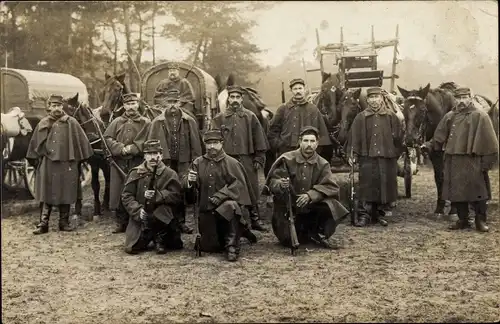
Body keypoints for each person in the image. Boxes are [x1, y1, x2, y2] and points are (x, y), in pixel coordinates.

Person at [422, 87, 498, 232]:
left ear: (470, 98)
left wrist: (486, 163)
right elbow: (439, 135)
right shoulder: (450, 116)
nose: (462, 101)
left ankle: (480, 220)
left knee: (478, 191)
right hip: (454, 159)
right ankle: (463, 220)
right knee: (457, 191)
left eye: (465, 97)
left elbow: (491, 142)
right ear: (455, 100)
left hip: (473, 159)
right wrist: (428, 145)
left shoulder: (481, 116)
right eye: (459, 98)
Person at [265, 126, 349, 249]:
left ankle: (318, 233)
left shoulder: (323, 164)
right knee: (288, 240)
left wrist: (311, 195)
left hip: (311, 209)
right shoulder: (286, 159)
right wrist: (280, 184)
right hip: (289, 210)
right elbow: (272, 182)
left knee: (332, 204)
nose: (308, 144)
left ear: (317, 144)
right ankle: (299, 233)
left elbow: (330, 186)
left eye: (312, 141)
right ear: (300, 142)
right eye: (305, 141)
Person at [134, 88, 202, 234]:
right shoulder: (157, 122)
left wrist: (195, 163)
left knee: (182, 190)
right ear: (165, 103)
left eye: (175, 102)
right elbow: (150, 144)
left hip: (183, 162)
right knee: (166, 190)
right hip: (165, 163)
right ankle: (169, 221)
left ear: (180, 103)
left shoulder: (189, 121)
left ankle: (182, 222)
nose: (172, 105)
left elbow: (196, 144)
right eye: (169, 102)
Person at [183, 129, 257, 262]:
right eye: (208, 143)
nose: (212, 146)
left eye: (215, 143)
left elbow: (239, 186)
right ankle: (242, 229)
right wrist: (190, 182)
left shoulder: (232, 163)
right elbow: (191, 194)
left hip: (226, 212)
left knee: (230, 206)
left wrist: (221, 195)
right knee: (210, 247)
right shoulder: (197, 163)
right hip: (206, 211)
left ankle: (232, 246)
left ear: (222, 143)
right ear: (204, 145)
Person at [27, 94, 94, 234]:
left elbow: (82, 143)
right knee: (47, 191)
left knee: (66, 191)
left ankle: (63, 222)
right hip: (48, 163)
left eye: (59, 106)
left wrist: (78, 161)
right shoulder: (43, 123)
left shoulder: (71, 122)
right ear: (49, 107)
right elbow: (34, 145)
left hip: (67, 163)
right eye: (54, 106)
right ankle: (43, 223)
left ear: (62, 106)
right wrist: (37, 160)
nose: (56, 108)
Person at [211, 85, 269, 232]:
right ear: (228, 99)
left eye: (238, 97)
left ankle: (254, 218)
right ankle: (230, 218)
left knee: (250, 186)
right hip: (226, 159)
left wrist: (259, 158)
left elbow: (259, 139)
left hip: (246, 158)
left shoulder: (250, 117)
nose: (235, 100)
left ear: (242, 99)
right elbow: (212, 139)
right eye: (232, 97)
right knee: (228, 187)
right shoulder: (219, 118)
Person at [348, 87, 403, 227]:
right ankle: (364, 215)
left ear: (382, 98)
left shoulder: (391, 116)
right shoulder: (361, 117)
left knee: (383, 184)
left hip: (386, 156)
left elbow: (398, 137)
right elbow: (354, 137)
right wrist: (353, 153)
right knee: (367, 184)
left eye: (376, 97)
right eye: (371, 98)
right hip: (367, 157)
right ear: (367, 100)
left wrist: (394, 152)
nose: (374, 100)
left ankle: (379, 213)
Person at [122, 140, 184, 254]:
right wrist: (138, 210)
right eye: (149, 154)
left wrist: (158, 196)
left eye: (156, 153)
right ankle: (149, 235)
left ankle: (159, 238)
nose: (152, 157)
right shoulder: (136, 173)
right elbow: (127, 196)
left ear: (161, 155)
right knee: (132, 247)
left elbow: (177, 197)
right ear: (144, 156)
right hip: (142, 216)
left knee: (174, 244)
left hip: (163, 216)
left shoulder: (170, 174)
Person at [103, 93, 151, 234]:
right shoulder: (117, 121)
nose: (131, 107)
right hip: (119, 163)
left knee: (137, 190)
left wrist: (131, 148)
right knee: (119, 190)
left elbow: (146, 140)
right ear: (124, 106)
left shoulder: (145, 122)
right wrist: (120, 148)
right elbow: (107, 138)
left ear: (138, 105)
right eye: (128, 104)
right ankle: (121, 221)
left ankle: (136, 219)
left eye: (134, 104)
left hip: (137, 162)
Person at [268, 78, 332, 156]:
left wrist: (316, 150)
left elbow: (322, 133)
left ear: (304, 90)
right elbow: (273, 130)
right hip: (286, 152)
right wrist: (279, 145)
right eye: (295, 89)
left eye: (300, 88)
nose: (298, 91)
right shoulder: (283, 109)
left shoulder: (313, 109)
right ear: (291, 91)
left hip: (308, 152)